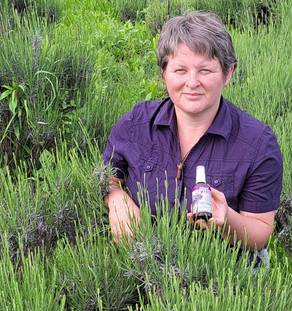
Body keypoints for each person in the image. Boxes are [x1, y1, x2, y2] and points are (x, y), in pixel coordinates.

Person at [102, 11, 282, 267]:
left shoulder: (257, 143)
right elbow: (108, 174)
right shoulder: (137, 123)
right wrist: (115, 197)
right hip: (140, 268)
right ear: (164, 73)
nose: (192, 82)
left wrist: (226, 220)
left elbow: (260, 231)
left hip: (223, 280)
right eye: (180, 70)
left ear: (228, 73)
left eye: (206, 70)